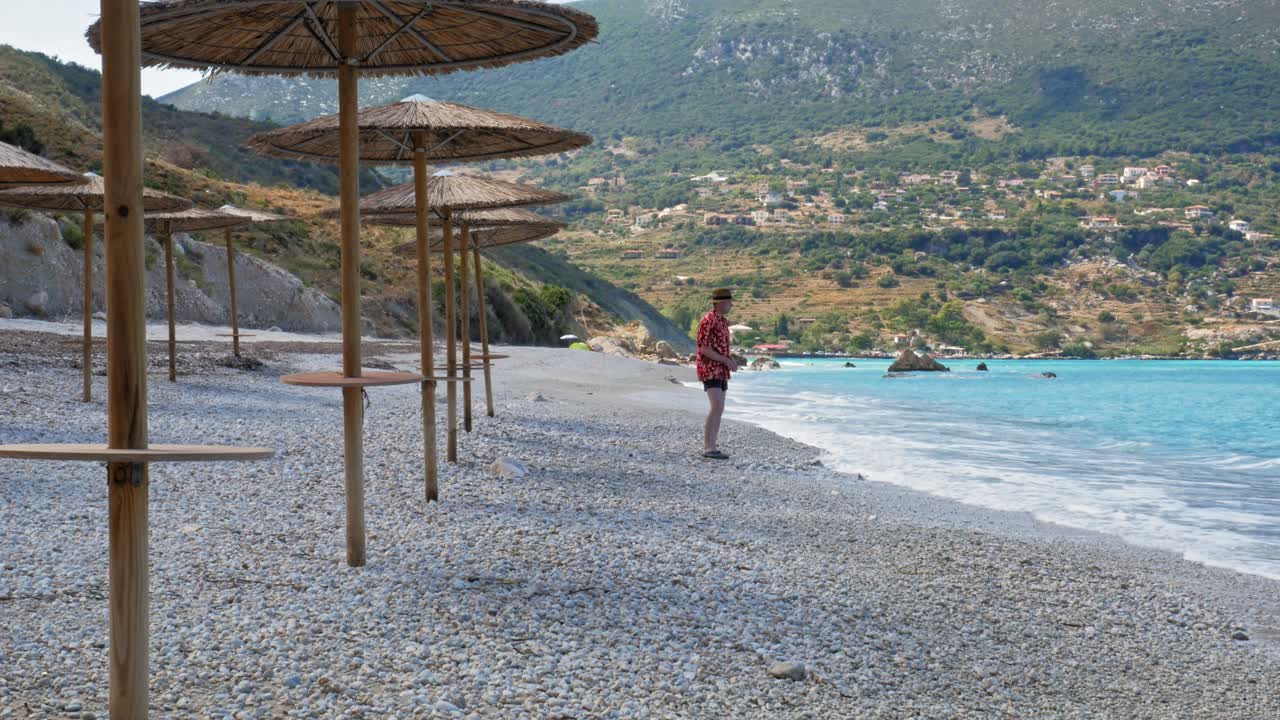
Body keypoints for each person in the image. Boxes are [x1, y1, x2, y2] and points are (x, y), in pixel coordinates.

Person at [697, 288, 737, 459]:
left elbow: (721, 346)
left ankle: (712, 446)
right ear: (721, 303)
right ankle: (708, 448)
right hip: (709, 368)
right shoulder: (708, 320)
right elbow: (703, 348)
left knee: (719, 408)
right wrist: (725, 360)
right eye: (729, 302)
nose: (731, 305)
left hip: (721, 369)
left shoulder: (723, 321)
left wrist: (730, 359)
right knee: (717, 406)